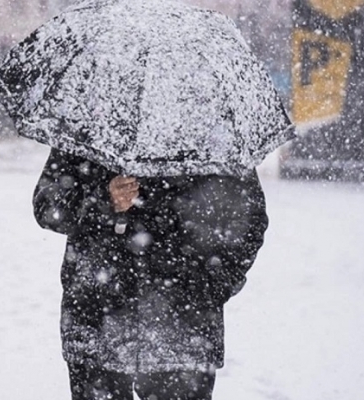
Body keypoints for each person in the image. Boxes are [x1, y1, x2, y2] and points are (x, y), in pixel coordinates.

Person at [32, 149, 269, 399]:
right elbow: (48, 207)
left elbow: (249, 220)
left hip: (183, 330)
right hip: (98, 321)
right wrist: (103, 199)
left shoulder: (212, 130)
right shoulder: (88, 121)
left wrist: (212, 286)